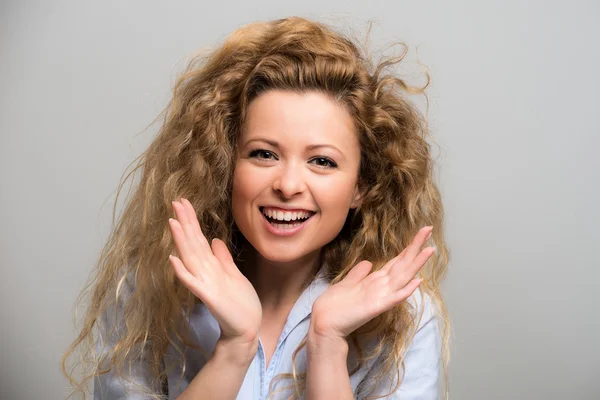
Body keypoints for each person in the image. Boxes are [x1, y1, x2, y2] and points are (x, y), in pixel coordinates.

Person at [62, 16, 450, 400]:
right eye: (263, 154)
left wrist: (328, 345)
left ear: (360, 188)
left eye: (322, 161)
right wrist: (234, 349)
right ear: (226, 165)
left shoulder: (402, 312)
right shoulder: (152, 286)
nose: (288, 185)